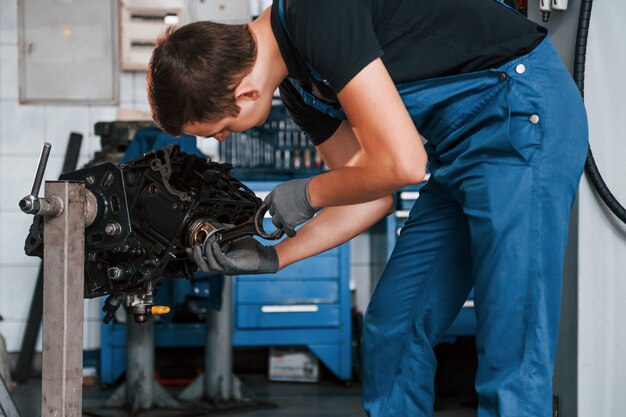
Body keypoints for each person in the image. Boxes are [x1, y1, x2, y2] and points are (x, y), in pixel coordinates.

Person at [146, 0, 589, 415]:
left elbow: (403, 164)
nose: (224, 139)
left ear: (243, 93)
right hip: (459, 152)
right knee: (392, 328)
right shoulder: (302, 88)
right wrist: (273, 256)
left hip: (521, 122)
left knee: (512, 340)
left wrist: (308, 194)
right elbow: (370, 196)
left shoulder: (316, 11)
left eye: (221, 129)